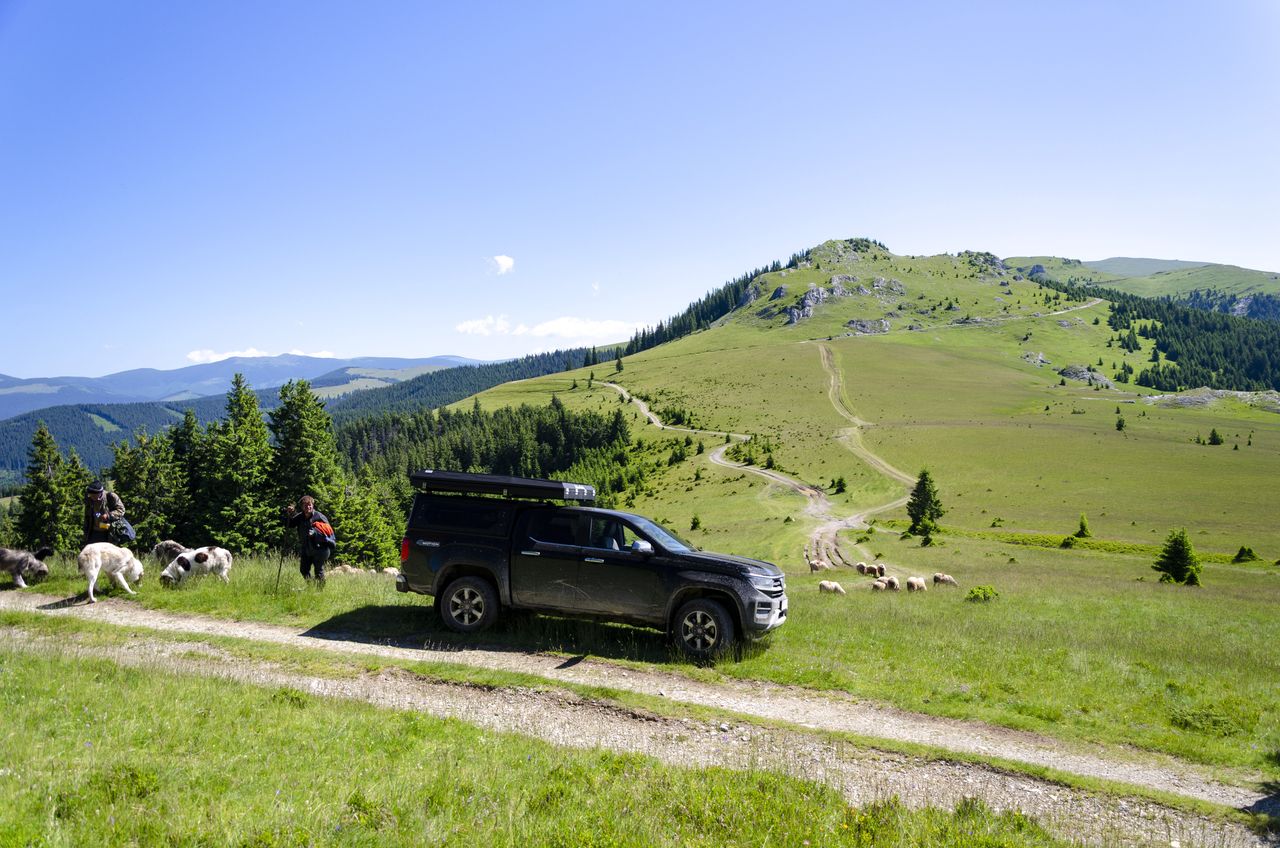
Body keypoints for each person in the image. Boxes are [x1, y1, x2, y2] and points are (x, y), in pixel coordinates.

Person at [285, 495, 336, 582]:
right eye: (305, 505)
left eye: (310, 505)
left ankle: (319, 591)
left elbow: (329, 532)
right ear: (302, 507)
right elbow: (290, 524)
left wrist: (316, 533)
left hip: (320, 548)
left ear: (312, 505)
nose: (308, 507)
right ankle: (311, 586)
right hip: (306, 548)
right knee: (304, 570)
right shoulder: (300, 517)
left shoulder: (319, 516)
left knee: (318, 570)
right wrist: (289, 514)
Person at [83, 480, 125, 545]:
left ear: (99, 493)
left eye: (93, 495)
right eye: (90, 495)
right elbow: (87, 516)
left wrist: (108, 515)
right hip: (94, 532)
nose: (91, 497)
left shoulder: (111, 497)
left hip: (108, 532)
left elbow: (121, 510)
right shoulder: (89, 499)